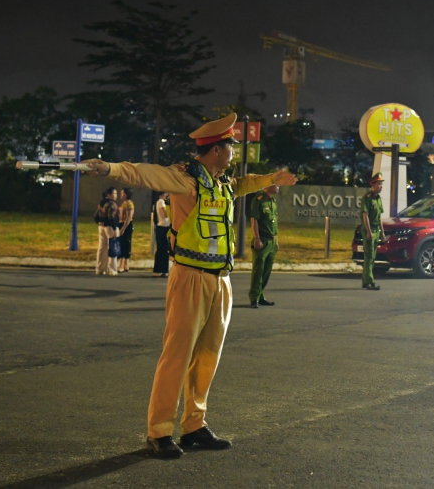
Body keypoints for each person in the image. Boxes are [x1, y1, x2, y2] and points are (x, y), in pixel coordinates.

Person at [82, 113, 297, 459]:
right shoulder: (185, 179)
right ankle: (160, 430)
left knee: (208, 357)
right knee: (177, 355)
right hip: (190, 277)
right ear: (215, 150)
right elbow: (145, 172)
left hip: (220, 280)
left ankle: (194, 425)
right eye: (230, 146)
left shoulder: (222, 181)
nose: (233, 152)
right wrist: (110, 168)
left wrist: (272, 178)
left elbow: (244, 185)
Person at [249, 184, 280, 308]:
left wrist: (276, 241)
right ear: (267, 185)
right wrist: (257, 238)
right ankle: (254, 298)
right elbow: (254, 220)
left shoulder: (272, 201)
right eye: (275, 184)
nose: (278, 186)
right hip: (262, 240)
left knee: (266, 271)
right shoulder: (259, 200)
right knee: (258, 270)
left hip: (271, 241)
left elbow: (274, 222)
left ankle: (261, 296)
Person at [361, 172, 386, 290]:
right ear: (373, 185)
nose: (381, 186)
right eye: (379, 184)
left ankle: (366, 281)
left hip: (376, 230)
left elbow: (380, 216)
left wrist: (382, 232)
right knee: (369, 256)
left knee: (372, 257)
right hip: (369, 230)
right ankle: (370, 281)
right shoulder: (367, 198)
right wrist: (369, 232)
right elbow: (365, 216)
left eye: (381, 184)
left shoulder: (378, 198)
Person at [94, 187, 119, 275]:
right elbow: (111, 217)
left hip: (101, 227)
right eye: (114, 193)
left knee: (102, 248)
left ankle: (100, 269)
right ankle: (112, 270)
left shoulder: (101, 203)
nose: (116, 195)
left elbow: (96, 216)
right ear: (109, 195)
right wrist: (115, 228)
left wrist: (99, 222)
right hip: (110, 227)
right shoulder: (112, 204)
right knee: (112, 247)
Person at [152, 192, 171, 278]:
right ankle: (159, 269)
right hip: (162, 227)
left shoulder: (160, 201)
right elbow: (165, 215)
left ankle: (163, 270)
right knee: (162, 249)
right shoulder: (161, 201)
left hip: (164, 227)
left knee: (164, 249)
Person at [118, 188, 135, 273]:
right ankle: (124, 264)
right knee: (122, 243)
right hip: (121, 224)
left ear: (127, 194)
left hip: (126, 226)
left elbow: (128, 218)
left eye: (122, 193)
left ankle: (123, 265)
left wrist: (123, 228)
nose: (121, 195)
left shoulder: (129, 204)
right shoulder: (124, 203)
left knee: (125, 244)